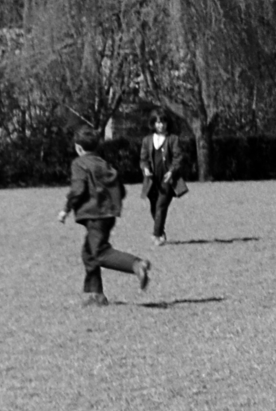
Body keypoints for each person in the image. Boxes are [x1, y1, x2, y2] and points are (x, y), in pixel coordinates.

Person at [56, 125, 150, 304]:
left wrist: (65, 210)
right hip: (108, 215)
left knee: (99, 252)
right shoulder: (103, 163)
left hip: (94, 215)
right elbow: (120, 189)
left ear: (78, 148)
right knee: (88, 253)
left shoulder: (79, 163)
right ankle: (97, 296)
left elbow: (78, 189)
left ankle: (136, 264)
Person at [139, 109, 189, 246]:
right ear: (153, 124)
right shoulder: (147, 140)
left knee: (161, 205)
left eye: (163, 122)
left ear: (167, 123)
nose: (160, 125)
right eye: (158, 122)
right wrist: (145, 169)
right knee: (154, 207)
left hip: (167, 178)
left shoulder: (173, 139)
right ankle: (160, 231)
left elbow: (178, 158)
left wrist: (172, 171)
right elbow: (143, 159)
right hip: (151, 180)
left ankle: (156, 235)